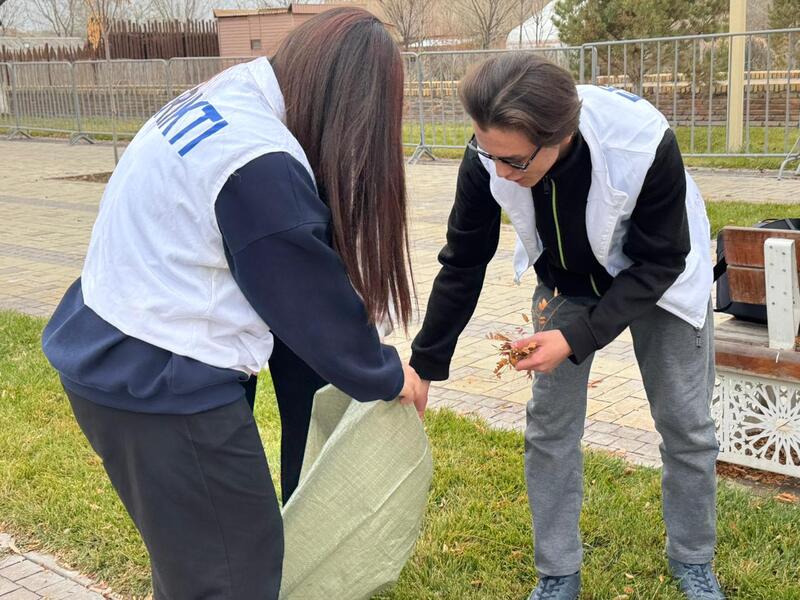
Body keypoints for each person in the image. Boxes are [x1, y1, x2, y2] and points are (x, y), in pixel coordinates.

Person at [41, 8, 422, 599]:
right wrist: (387, 375)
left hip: (116, 350)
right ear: (351, 107)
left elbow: (293, 323)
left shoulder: (232, 94)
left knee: (197, 566)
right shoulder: (259, 164)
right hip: (161, 381)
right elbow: (305, 300)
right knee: (234, 576)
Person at [407, 53, 723, 600]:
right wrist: (425, 364)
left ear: (562, 134)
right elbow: (463, 259)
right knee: (550, 429)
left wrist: (576, 339)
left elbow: (662, 260)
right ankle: (558, 574)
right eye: (489, 154)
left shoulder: (642, 143)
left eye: (515, 163)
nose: (500, 173)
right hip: (566, 284)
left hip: (661, 281)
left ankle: (693, 561)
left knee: (686, 426)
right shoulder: (490, 154)